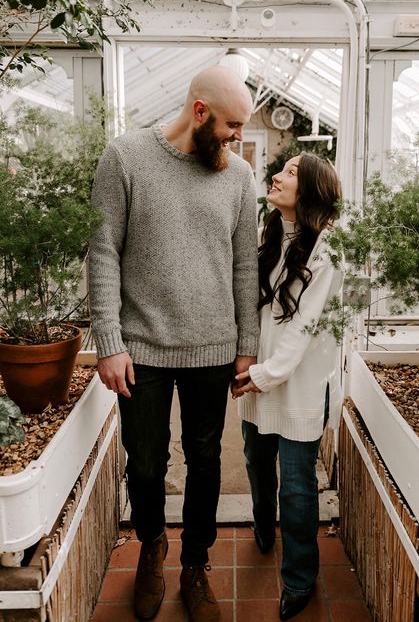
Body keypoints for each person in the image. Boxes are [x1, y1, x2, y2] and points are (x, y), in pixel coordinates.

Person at [88, 65, 259, 622]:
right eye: (233, 124)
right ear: (201, 111)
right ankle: (152, 546)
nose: (238, 136)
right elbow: (103, 250)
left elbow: (243, 268)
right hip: (141, 348)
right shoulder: (126, 158)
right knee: (144, 463)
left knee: (206, 461)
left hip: (213, 347)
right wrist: (109, 340)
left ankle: (195, 563)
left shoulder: (238, 178)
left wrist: (246, 344)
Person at [233, 152, 343, 621]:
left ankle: (298, 580)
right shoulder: (269, 235)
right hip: (259, 377)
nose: (277, 176)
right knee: (257, 463)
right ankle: (262, 524)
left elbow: (305, 327)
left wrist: (263, 375)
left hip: (295, 383)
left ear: (313, 189)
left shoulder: (329, 249)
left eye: (292, 172)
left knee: (297, 489)